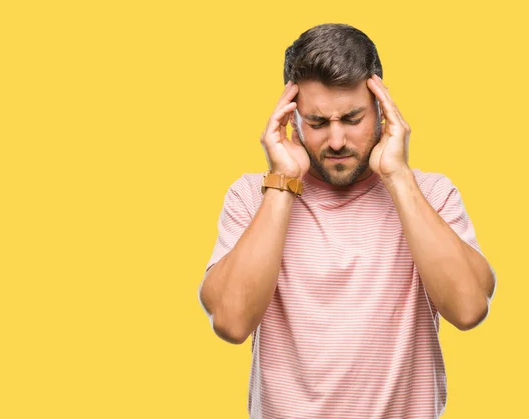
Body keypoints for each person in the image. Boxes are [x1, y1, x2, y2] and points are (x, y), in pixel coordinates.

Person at [197, 23, 496, 419]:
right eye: (317, 123)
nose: (336, 141)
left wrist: (398, 176)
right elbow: (231, 323)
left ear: (381, 108)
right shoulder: (254, 197)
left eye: (352, 119)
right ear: (291, 119)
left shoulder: (431, 194)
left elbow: (469, 308)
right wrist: (284, 182)